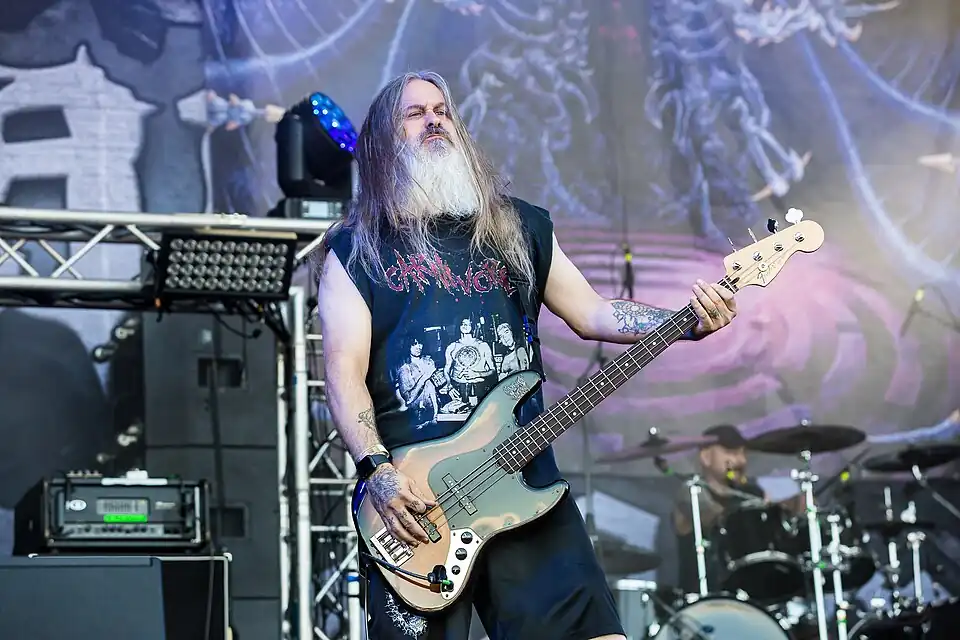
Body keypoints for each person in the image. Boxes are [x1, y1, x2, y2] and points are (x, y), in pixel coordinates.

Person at [315, 70, 738, 640]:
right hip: (418, 503)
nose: (435, 121)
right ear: (382, 145)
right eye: (414, 114)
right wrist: (379, 472)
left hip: (524, 479)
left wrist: (684, 322)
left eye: (442, 111)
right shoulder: (355, 250)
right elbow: (343, 374)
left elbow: (593, 314)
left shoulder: (519, 226)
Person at [672, 424, 805, 596]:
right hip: (705, 599)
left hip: (753, 594)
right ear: (706, 457)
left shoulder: (754, 491)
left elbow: (800, 506)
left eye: (743, 453)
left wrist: (793, 502)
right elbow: (715, 517)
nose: (741, 460)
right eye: (731, 453)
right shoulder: (691, 491)